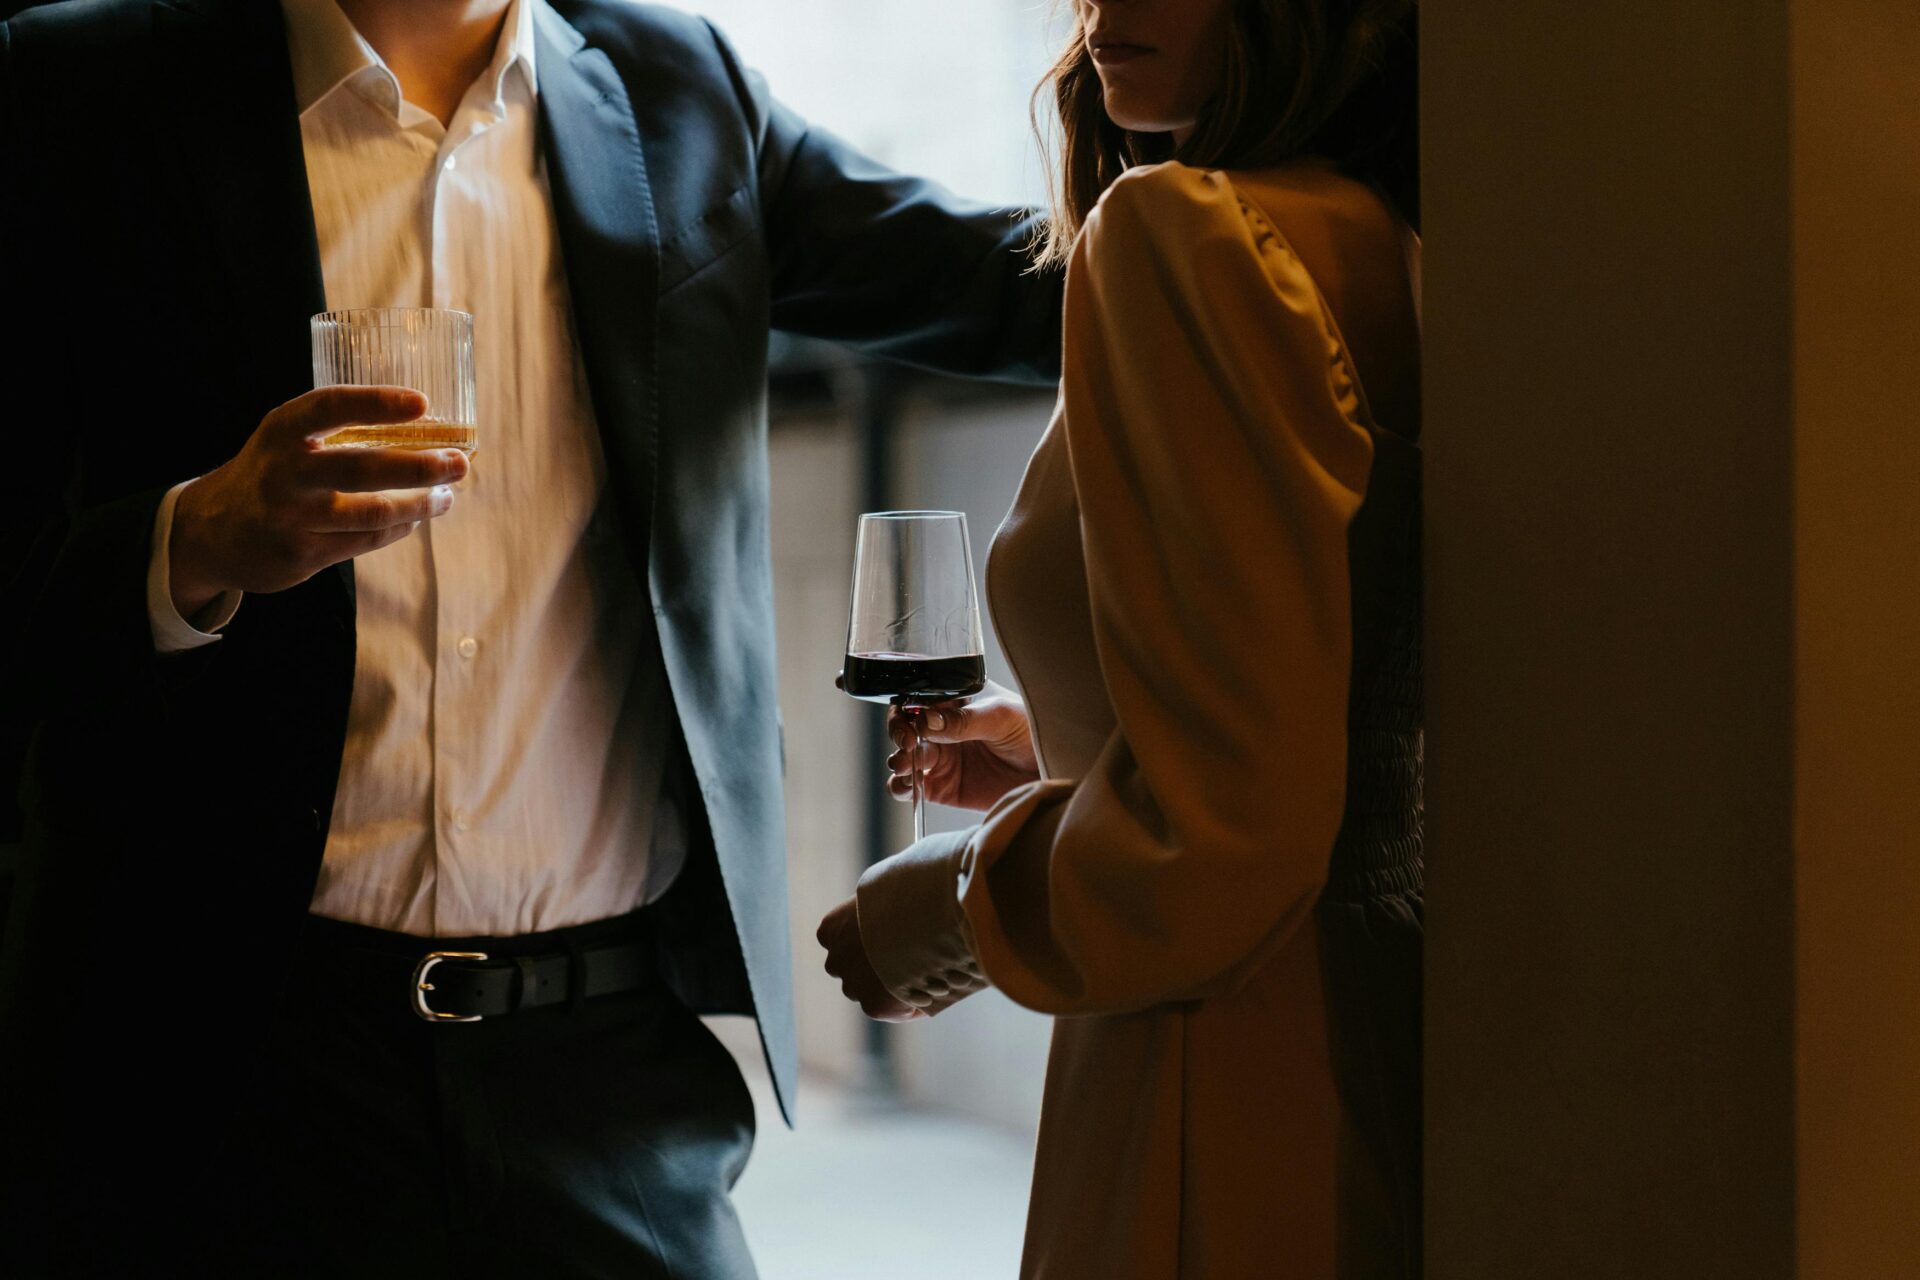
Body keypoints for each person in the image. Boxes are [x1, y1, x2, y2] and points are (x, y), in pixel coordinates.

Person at [0, 0, 1060, 1274]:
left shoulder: (679, 85)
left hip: (609, 1080)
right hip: (218, 1064)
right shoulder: (77, 88)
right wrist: (197, 540)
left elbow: (1011, 286)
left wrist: (1290, 185)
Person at [817, 0, 1422, 1275]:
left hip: (1224, 1055)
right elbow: (1336, 677)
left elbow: (1225, 839)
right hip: (1396, 1036)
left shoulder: (1181, 232)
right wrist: (1069, 746)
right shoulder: (1398, 234)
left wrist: (941, 912)